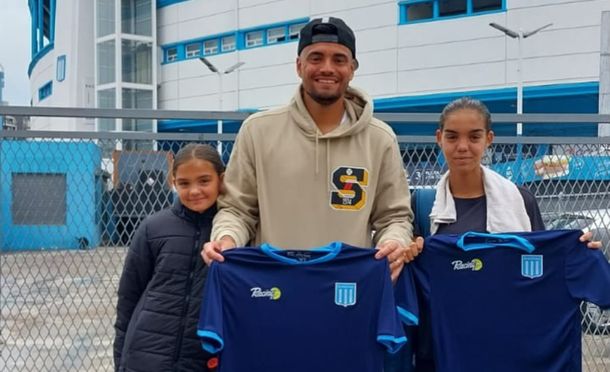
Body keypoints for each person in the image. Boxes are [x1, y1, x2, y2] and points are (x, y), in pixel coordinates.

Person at [202, 17, 421, 280]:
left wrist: (394, 242)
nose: (327, 68)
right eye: (316, 58)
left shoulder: (380, 138)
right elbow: (237, 210)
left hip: (349, 288)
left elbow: (393, 217)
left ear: (352, 68)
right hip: (273, 287)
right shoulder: (258, 131)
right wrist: (226, 239)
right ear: (299, 65)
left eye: (339, 59)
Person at [411, 97, 602, 372]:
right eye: (452, 137)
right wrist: (408, 251)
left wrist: (578, 250)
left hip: (514, 349)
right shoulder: (423, 204)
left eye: (474, 136)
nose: (463, 147)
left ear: (489, 139)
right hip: (448, 351)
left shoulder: (520, 201)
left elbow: (540, 263)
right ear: (439, 138)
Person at [113, 144, 224, 372]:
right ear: (172, 182)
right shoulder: (153, 227)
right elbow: (128, 298)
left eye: (204, 181)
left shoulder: (231, 232)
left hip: (203, 358)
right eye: (184, 183)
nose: (194, 191)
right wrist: (121, 358)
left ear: (221, 180)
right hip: (146, 356)